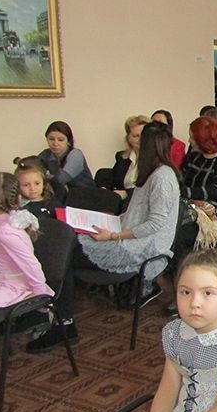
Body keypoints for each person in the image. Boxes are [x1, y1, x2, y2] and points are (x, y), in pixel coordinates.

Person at [28, 121, 181, 353]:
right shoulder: (153, 173)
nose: (136, 145)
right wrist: (112, 221)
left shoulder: (162, 177)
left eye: (141, 142)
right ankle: (56, 319)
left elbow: (155, 224)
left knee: (62, 254)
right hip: (128, 238)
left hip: (141, 248)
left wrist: (114, 235)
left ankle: (59, 322)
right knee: (63, 250)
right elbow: (137, 214)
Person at [115, 249, 217, 412]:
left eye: (207, 293)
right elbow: (168, 391)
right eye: (185, 292)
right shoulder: (175, 333)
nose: (194, 303)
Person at [0, 172, 51, 321]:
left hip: (10, 287)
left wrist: (41, 297)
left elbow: (31, 265)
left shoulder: (5, 231)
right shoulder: (6, 222)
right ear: (19, 197)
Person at [177, 116, 217, 253]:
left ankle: (183, 264)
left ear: (203, 141)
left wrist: (185, 192)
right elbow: (181, 179)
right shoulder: (193, 156)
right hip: (193, 206)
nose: (189, 141)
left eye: (192, 138)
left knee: (180, 233)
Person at [38, 121, 95, 192]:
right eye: (51, 139)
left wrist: (44, 176)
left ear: (68, 141)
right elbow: (31, 168)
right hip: (63, 193)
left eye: (60, 140)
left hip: (85, 193)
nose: (55, 143)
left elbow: (61, 179)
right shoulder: (46, 153)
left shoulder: (76, 154)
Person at [111, 115, 151, 200]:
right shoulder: (122, 157)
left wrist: (127, 193)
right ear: (128, 138)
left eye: (144, 135)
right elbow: (113, 179)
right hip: (122, 203)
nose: (140, 139)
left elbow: (151, 189)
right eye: (136, 136)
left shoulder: (156, 161)